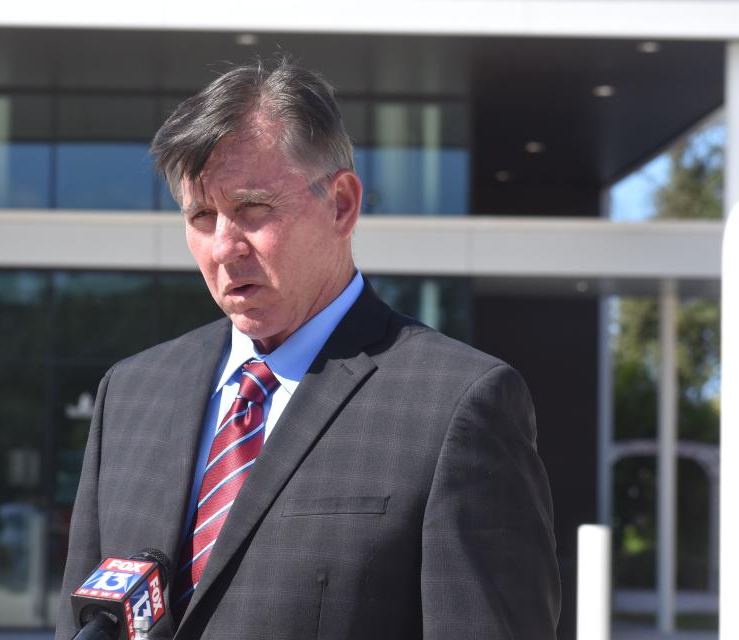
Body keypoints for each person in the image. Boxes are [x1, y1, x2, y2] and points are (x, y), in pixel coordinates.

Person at [57, 58, 561, 640]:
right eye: (201, 215)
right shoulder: (132, 393)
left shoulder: (457, 406)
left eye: (253, 209)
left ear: (342, 204)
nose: (224, 247)